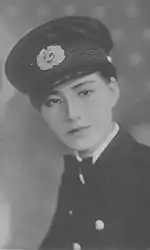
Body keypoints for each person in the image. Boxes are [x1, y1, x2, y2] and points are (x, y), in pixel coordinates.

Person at [5, 15, 150, 250]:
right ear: (42, 113)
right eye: (54, 101)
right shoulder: (76, 176)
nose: (72, 113)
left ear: (112, 90)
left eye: (84, 92)